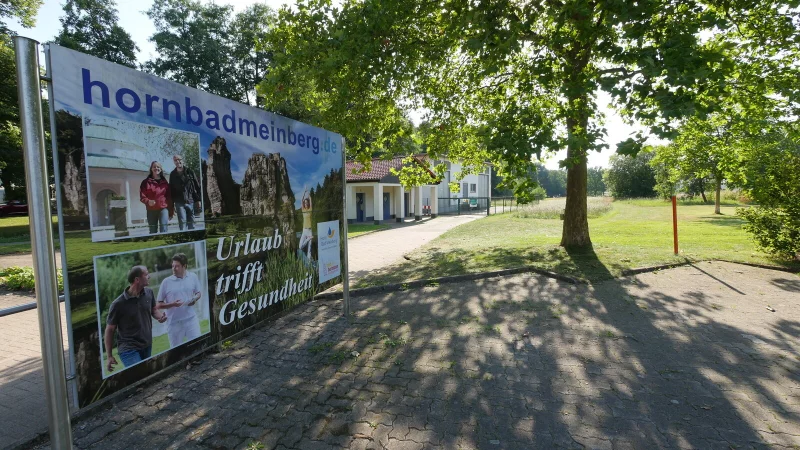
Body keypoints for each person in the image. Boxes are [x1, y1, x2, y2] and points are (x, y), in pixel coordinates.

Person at [104, 265, 167, 373]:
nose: (149, 276)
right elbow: (109, 330)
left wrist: (160, 316)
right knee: (139, 375)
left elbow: (154, 310)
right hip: (128, 348)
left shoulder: (149, 293)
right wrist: (109, 356)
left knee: (147, 376)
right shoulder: (118, 304)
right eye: (146, 274)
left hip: (147, 344)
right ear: (137, 280)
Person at [156, 253, 203, 347]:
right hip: (174, 324)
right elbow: (159, 304)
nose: (173, 268)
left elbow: (198, 293)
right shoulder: (166, 282)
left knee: (198, 346)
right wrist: (172, 304)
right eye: (172, 266)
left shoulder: (193, 276)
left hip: (191, 319)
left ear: (184, 266)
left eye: (176, 266)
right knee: (177, 353)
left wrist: (194, 299)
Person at [169, 155, 202, 231]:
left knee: (192, 223)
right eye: (175, 160)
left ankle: (192, 240)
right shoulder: (172, 174)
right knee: (182, 223)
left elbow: (197, 187)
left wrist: (198, 200)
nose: (178, 161)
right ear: (174, 162)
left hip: (190, 201)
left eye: (179, 159)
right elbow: (171, 190)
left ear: (182, 160)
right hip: (179, 202)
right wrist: (172, 205)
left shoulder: (190, 171)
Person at [140, 161, 172, 234]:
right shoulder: (145, 182)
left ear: (160, 169)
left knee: (164, 229)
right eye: (154, 167)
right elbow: (142, 196)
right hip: (151, 210)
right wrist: (148, 201)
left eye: (158, 167)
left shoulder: (165, 182)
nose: (156, 168)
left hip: (163, 208)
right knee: (152, 231)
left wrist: (171, 211)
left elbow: (169, 197)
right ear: (151, 169)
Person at [298, 191, 313, 260]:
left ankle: (309, 262)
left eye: (307, 203)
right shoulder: (303, 210)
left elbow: (310, 199)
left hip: (309, 230)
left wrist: (308, 194)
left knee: (309, 249)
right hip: (304, 230)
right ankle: (309, 238)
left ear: (308, 204)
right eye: (305, 203)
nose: (306, 204)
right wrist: (304, 192)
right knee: (300, 246)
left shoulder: (310, 210)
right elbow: (301, 200)